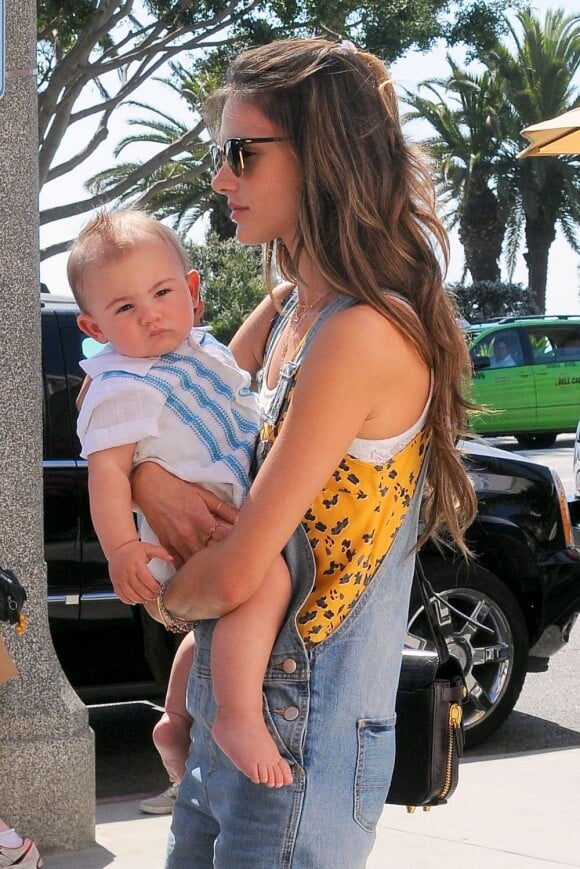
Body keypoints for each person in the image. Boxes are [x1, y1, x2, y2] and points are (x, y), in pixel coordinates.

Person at [134, 37, 478, 867]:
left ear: (325, 155)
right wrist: (145, 472)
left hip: (298, 738)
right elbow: (170, 416)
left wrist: (164, 594)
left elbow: (242, 567)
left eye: (240, 153)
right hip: (237, 714)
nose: (220, 178)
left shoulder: (361, 331)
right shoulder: (293, 308)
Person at [68, 210, 294, 789]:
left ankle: (174, 719)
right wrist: (121, 547)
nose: (150, 313)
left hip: (225, 510)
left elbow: (239, 377)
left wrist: (275, 301)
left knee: (225, 622)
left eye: (162, 292)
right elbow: (108, 475)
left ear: (192, 291)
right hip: (195, 528)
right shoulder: (119, 385)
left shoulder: (195, 348)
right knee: (262, 580)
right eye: (124, 308)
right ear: (94, 329)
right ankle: (238, 717)